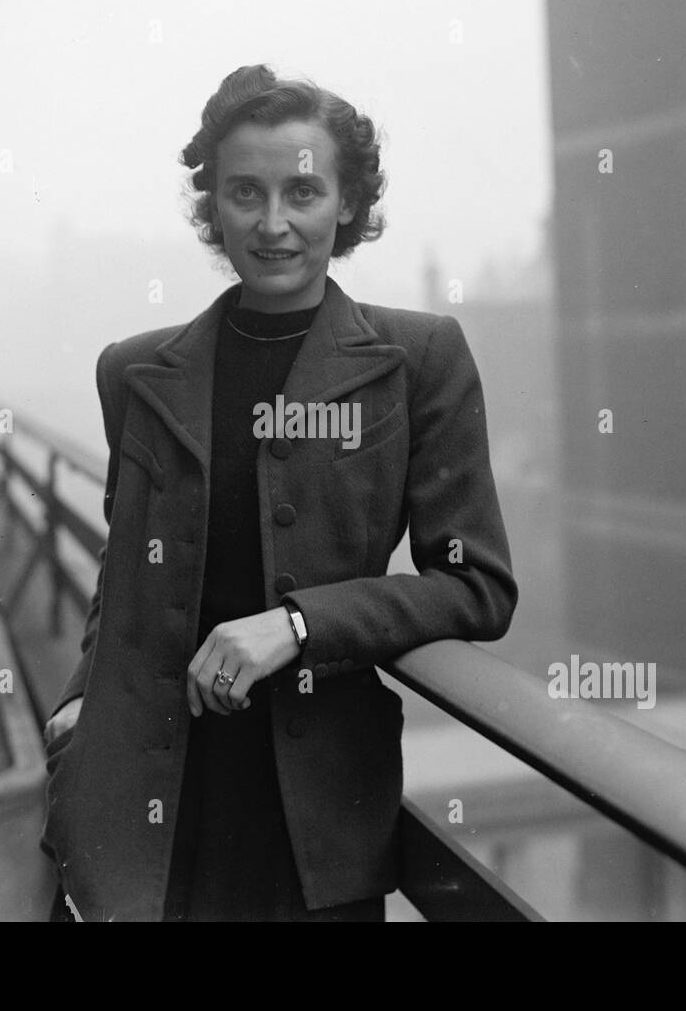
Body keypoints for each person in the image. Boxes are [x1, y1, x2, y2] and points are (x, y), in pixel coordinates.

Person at [40, 63, 517, 922]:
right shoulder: (136, 373)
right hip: (139, 809)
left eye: (302, 191)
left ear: (346, 202)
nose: (272, 224)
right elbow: (129, 566)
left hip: (313, 825)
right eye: (244, 193)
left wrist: (299, 625)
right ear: (212, 208)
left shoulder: (420, 361)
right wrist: (81, 695)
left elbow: (477, 585)